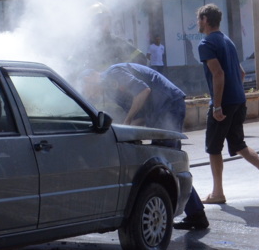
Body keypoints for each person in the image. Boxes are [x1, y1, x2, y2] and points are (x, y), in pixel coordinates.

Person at [81, 62, 208, 229]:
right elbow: (139, 114)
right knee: (169, 162)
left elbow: (143, 91)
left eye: (88, 88)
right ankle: (196, 213)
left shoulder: (113, 73)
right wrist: (127, 131)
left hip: (168, 104)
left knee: (166, 161)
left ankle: (193, 213)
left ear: (91, 78)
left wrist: (127, 123)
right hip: (160, 109)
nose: (90, 94)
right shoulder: (111, 91)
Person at [194, 3, 259, 213]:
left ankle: (218, 193)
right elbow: (241, 74)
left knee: (214, 148)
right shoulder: (227, 41)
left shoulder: (205, 43)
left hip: (223, 102)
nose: (197, 23)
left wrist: (217, 105)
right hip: (238, 100)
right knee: (238, 144)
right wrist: (234, 96)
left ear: (205, 20)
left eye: (199, 19)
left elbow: (218, 74)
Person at [82, 3, 147, 71]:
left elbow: (141, 59)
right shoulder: (84, 47)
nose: (105, 24)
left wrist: (122, 72)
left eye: (106, 20)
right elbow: (73, 69)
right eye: (100, 21)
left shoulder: (117, 43)